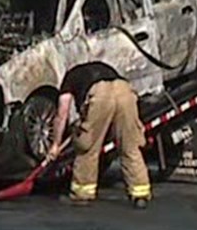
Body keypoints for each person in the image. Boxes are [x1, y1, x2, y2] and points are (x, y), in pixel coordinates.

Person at [43, 59, 151, 208]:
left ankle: (82, 194)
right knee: (130, 146)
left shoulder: (70, 78)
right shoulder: (102, 67)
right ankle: (140, 194)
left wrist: (55, 145)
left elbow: (62, 114)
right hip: (125, 91)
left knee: (87, 147)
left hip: (100, 96)